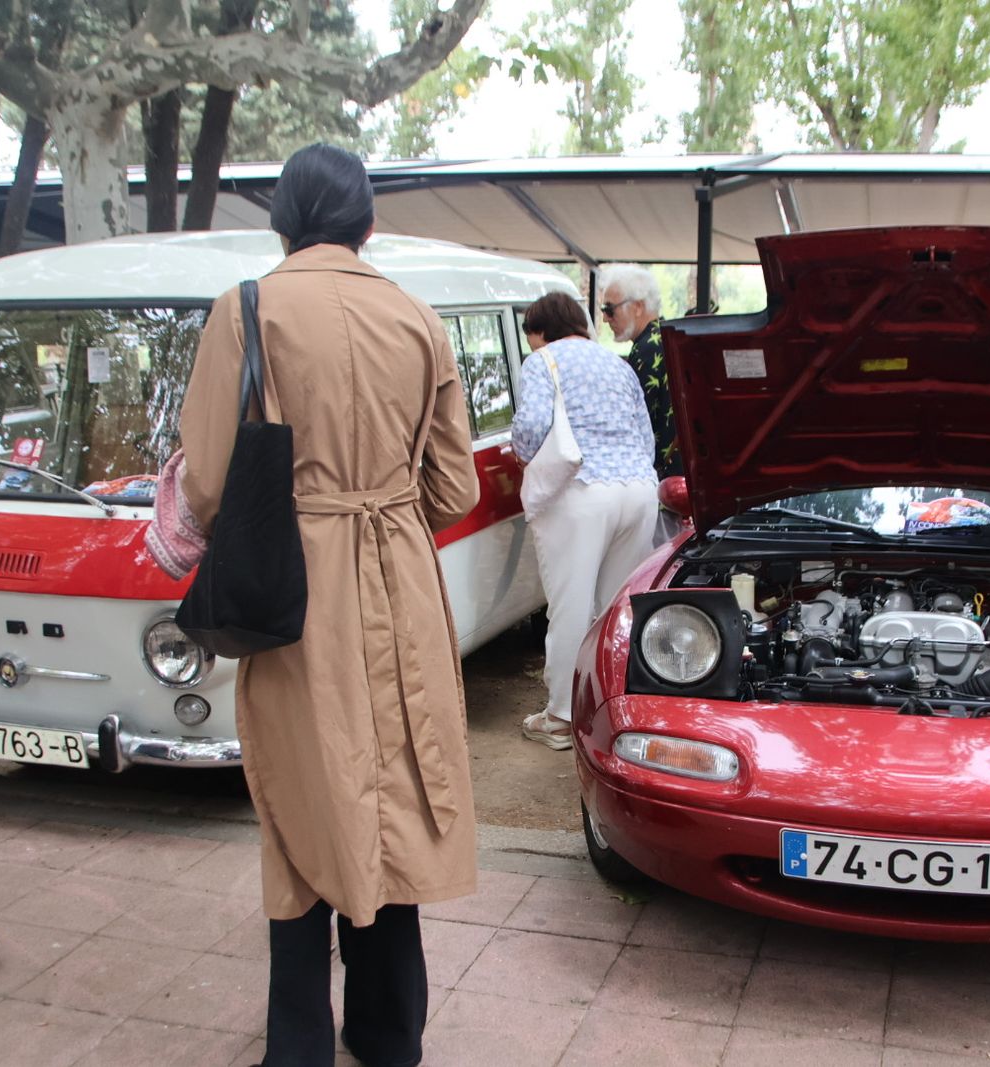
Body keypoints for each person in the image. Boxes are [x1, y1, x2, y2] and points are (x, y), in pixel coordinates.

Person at [178, 145, 480, 1067]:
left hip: (292, 581)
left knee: (304, 790)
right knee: (394, 785)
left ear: (282, 220)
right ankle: (390, 1035)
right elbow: (457, 489)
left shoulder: (248, 309)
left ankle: (299, 1045)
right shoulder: (417, 315)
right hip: (399, 571)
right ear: (367, 225)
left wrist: (307, 511)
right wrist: (382, 509)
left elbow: (207, 482)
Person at [512, 292, 658, 750]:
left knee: (571, 605)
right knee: (619, 610)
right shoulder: (619, 364)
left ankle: (559, 717)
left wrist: (523, 457)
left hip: (580, 493)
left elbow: (531, 428)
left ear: (540, 330)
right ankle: (617, 709)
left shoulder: (543, 362)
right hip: (637, 490)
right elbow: (645, 434)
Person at [598, 264, 680, 479]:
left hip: (662, 479)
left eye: (609, 309)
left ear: (637, 306)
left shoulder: (647, 349)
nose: (605, 318)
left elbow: (635, 421)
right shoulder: (668, 337)